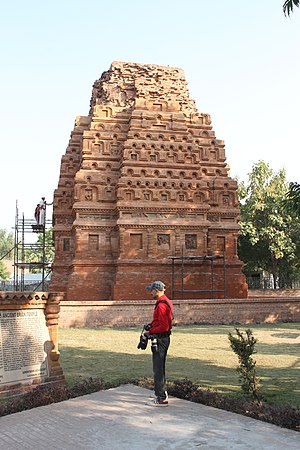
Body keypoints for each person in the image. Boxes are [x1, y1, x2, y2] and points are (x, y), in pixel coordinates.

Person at [144, 280, 174, 407]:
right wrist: (151, 325)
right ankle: (161, 392)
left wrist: (150, 331)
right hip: (164, 339)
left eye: (152, 290)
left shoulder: (161, 305)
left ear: (157, 290)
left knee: (158, 368)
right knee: (160, 367)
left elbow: (164, 326)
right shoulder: (166, 301)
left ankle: (161, 399)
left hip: (161, 339)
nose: (150, 293)